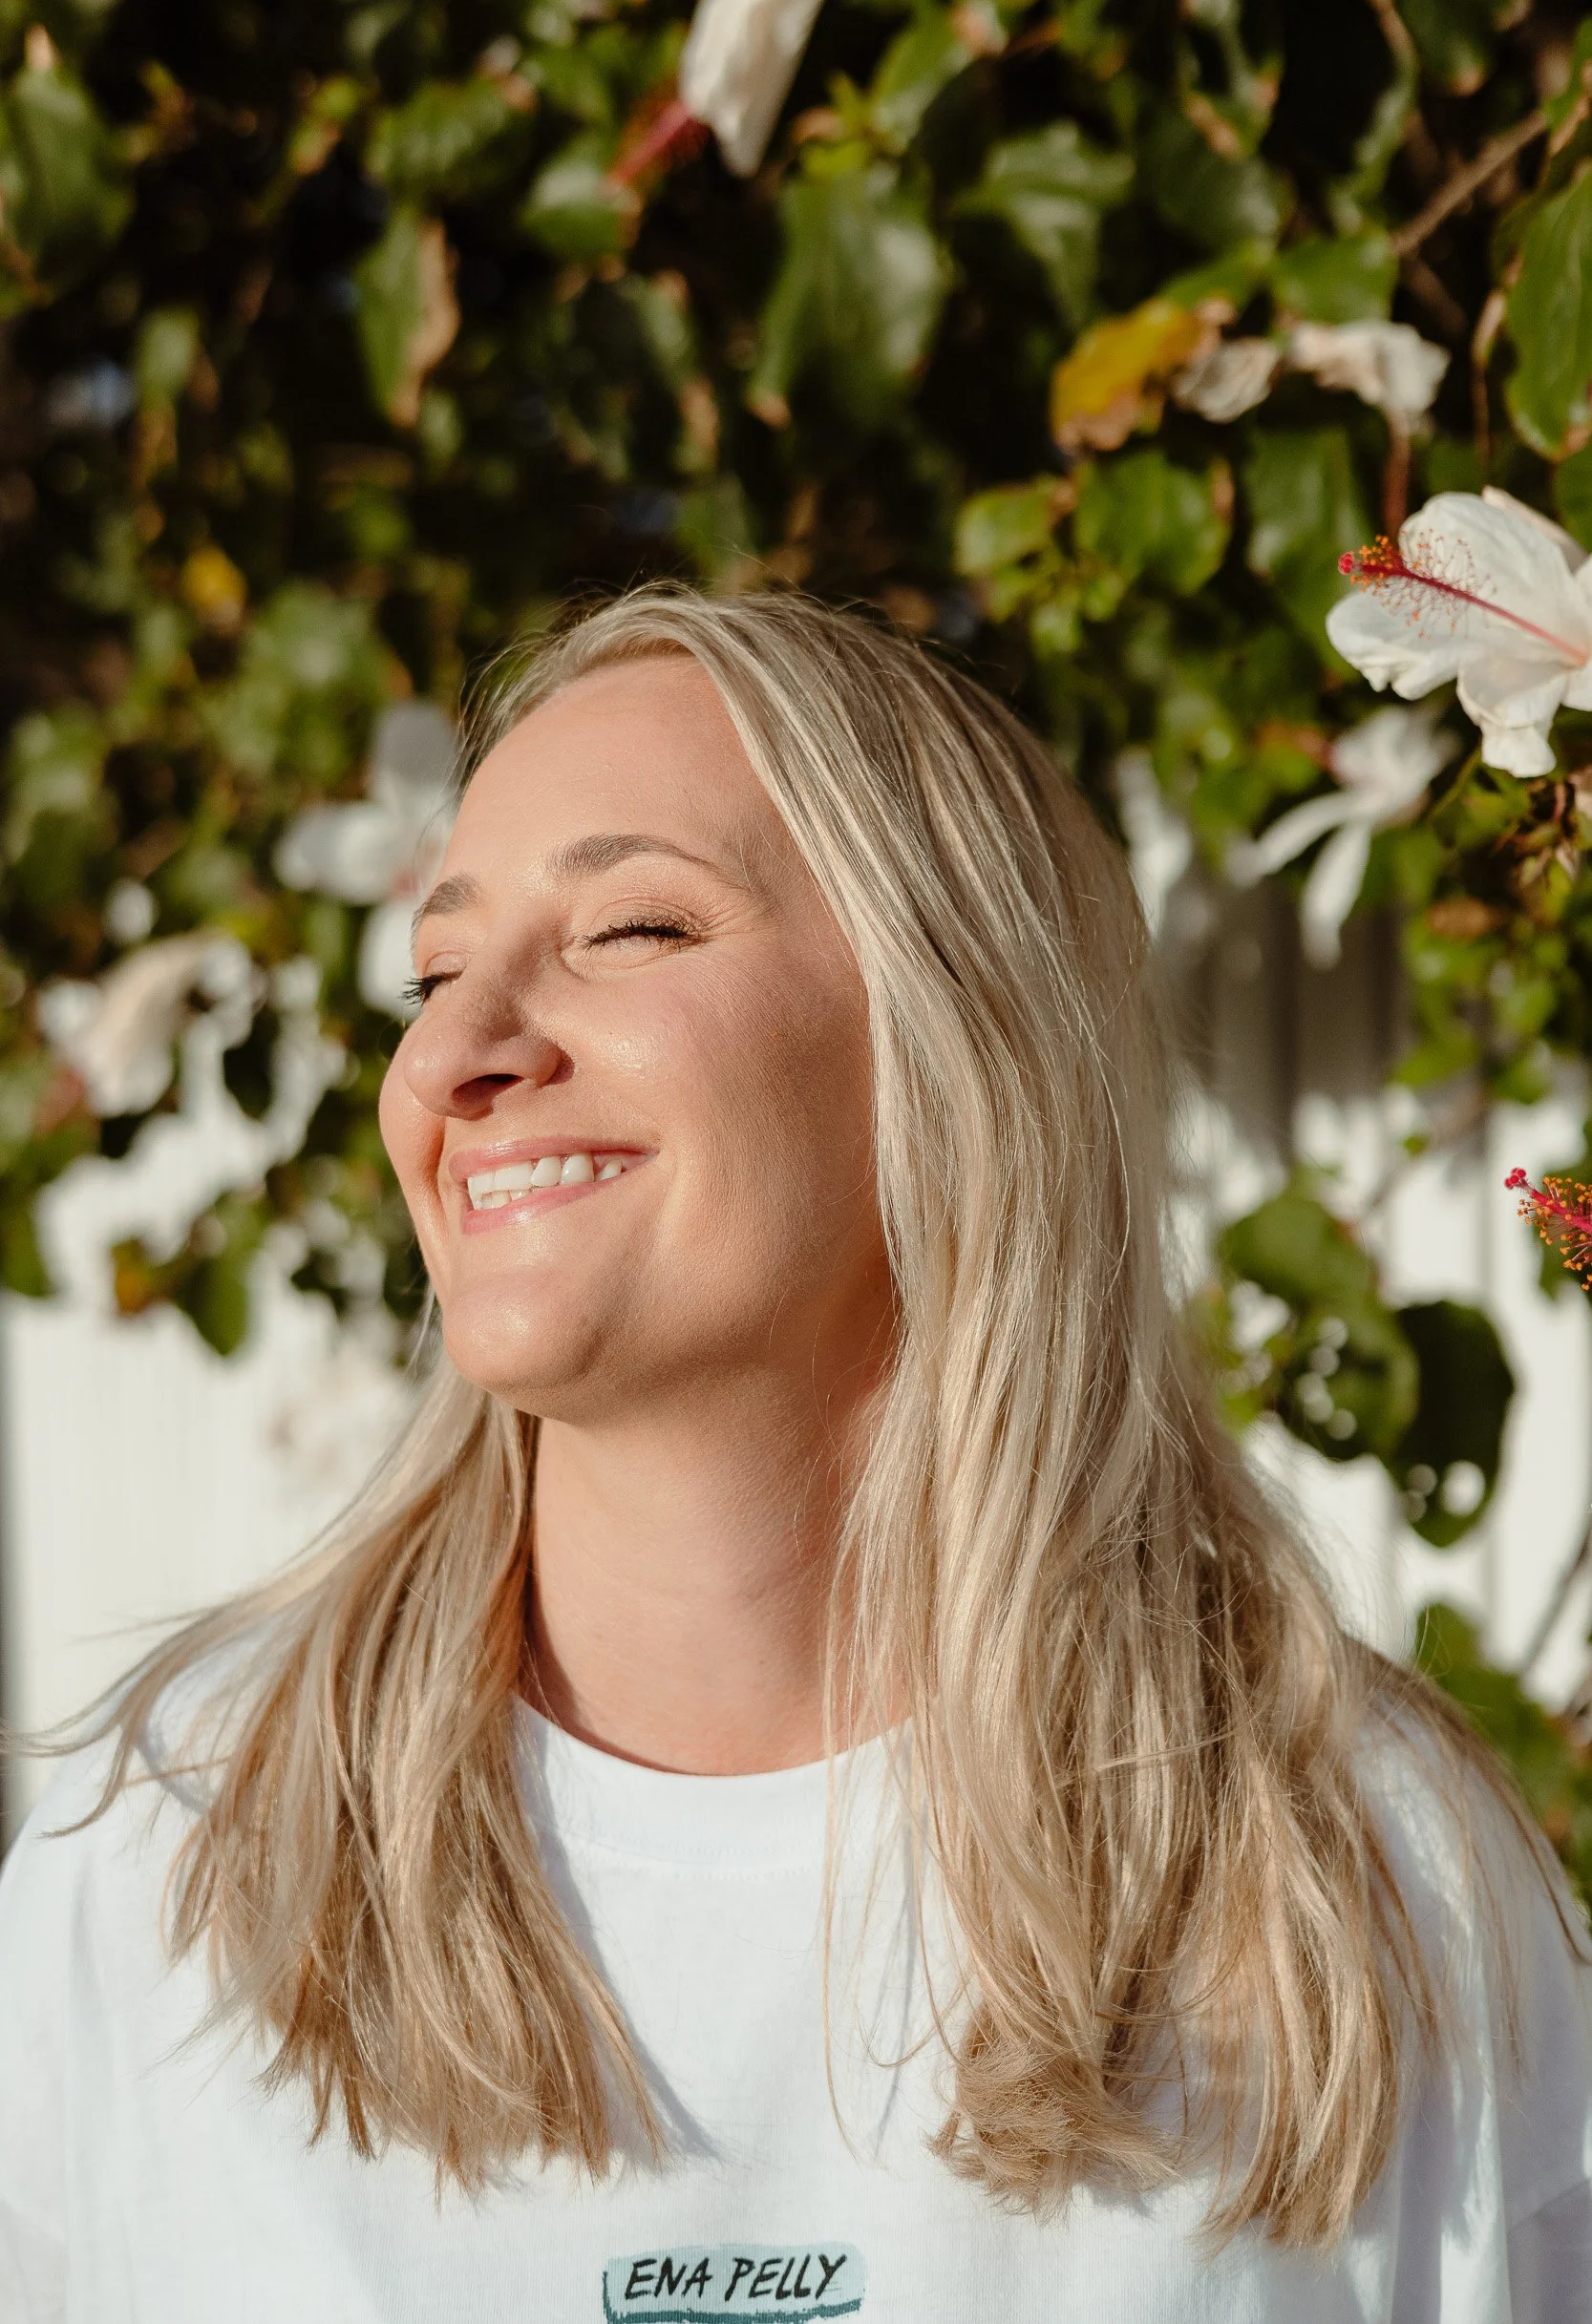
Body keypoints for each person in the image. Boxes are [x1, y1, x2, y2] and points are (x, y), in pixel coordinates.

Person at [1, 585, 1588, 2323]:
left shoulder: (1368, 1877)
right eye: (435, 969)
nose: (453, 1054)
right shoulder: (167, 1856)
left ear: (954, 1035)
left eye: (630, 930)